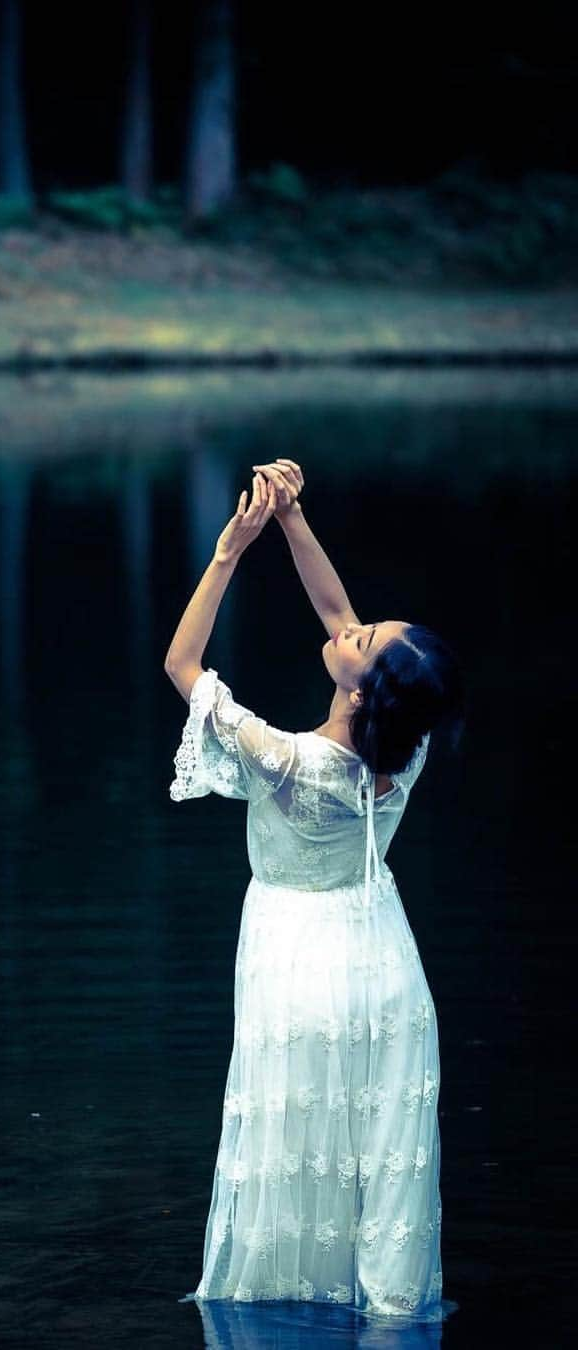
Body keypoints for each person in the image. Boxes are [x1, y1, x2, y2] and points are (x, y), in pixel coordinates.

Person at [164, 459, 464, 1323]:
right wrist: (292, 518)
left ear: (363, 685)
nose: (349, 626)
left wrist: (231, 550)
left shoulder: (285, 760)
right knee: (377, 1157)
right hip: (383, 961)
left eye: (364, 641)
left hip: (298, 961)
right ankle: (389, 1322)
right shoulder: (407, 744)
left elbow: (183, 660)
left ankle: (277, 1324)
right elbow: (338, 613)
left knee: (293, 1150)